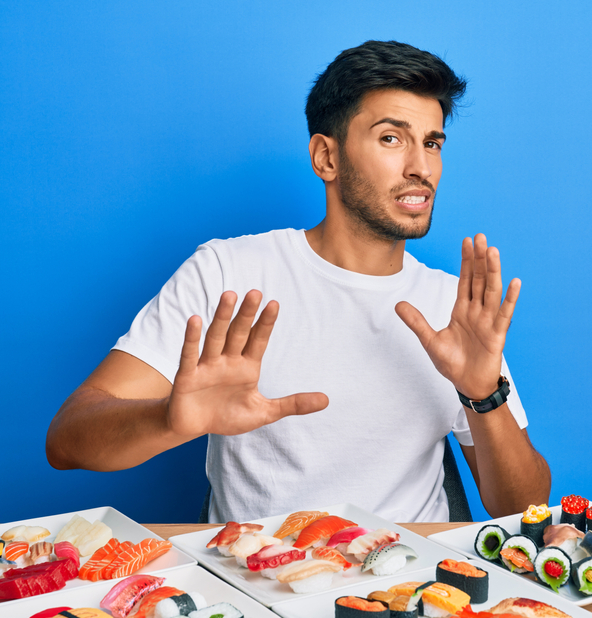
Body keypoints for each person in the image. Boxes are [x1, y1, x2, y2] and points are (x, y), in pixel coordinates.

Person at [46, 40, 551, 523]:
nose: (421, 167)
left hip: (408, 589)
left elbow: (519, 507)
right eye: (391, 138)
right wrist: (170, 420)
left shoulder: (451, 305)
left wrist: (483, 393)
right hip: (254, 585)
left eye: (432, 143)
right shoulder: (228, 272)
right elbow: (67, 440)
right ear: (326, 158)